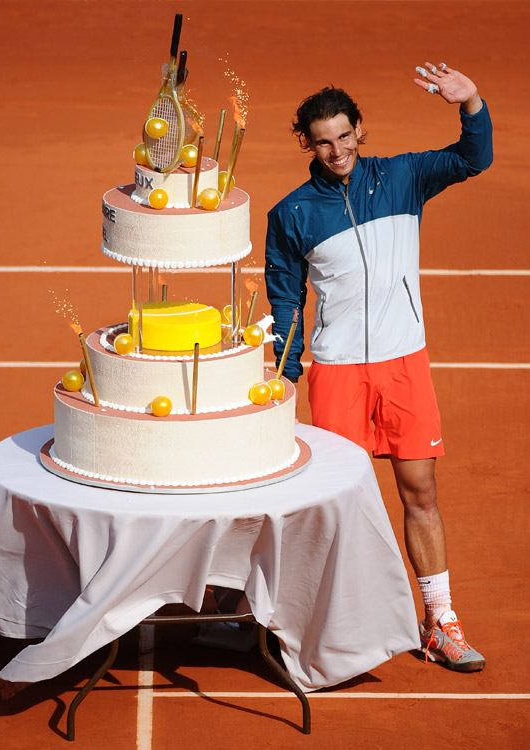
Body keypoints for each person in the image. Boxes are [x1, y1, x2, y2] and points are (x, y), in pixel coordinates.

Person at [265, 61, 492, 672]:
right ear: (306, 144)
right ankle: (320, 630)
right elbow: (287, 298)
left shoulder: (404, 176)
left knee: (420, 492)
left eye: (344, 135)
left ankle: (440, 622)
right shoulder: (291, 214)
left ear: (360, 130)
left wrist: (469, 103)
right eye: (323, 140)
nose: (336, 150)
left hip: (403, 365)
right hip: (338, 371)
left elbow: (473, 159)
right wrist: (284, 373)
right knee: (337, 505)